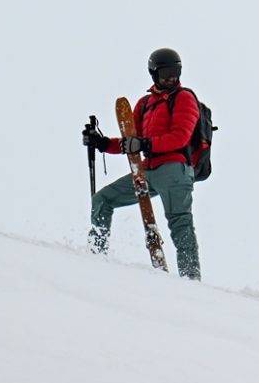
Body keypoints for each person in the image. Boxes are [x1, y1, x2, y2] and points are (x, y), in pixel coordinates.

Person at [82, 47, 202, 280]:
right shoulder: (146, 104)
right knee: (102, 199)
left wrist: (144, 145)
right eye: (165, 72)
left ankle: (191, 280)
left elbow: (180, 136)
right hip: (148, 170)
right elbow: (131, 142)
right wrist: (103, 143)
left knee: (180, 223)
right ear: (153, 73)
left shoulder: (184, 97)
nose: (171, 78)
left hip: (175, 170)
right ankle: (96, 254)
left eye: (175, 72)